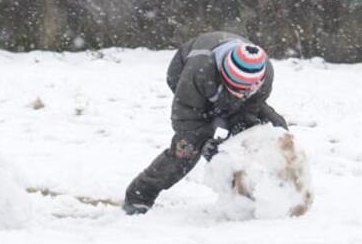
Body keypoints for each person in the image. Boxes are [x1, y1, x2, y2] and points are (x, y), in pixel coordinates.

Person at [123, 31, 288, 215]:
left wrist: (243, 125)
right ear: (225, 77)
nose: (242, 95)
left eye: (247, 91)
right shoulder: (198, 71)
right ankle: (139, 196)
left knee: (274, 128)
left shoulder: (265, 73)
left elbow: (251, 107)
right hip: (185, 72)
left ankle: (271, 192)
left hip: (223, 85)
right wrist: (203, 142)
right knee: (186, 149)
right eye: (236, 89)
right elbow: (185, 118)